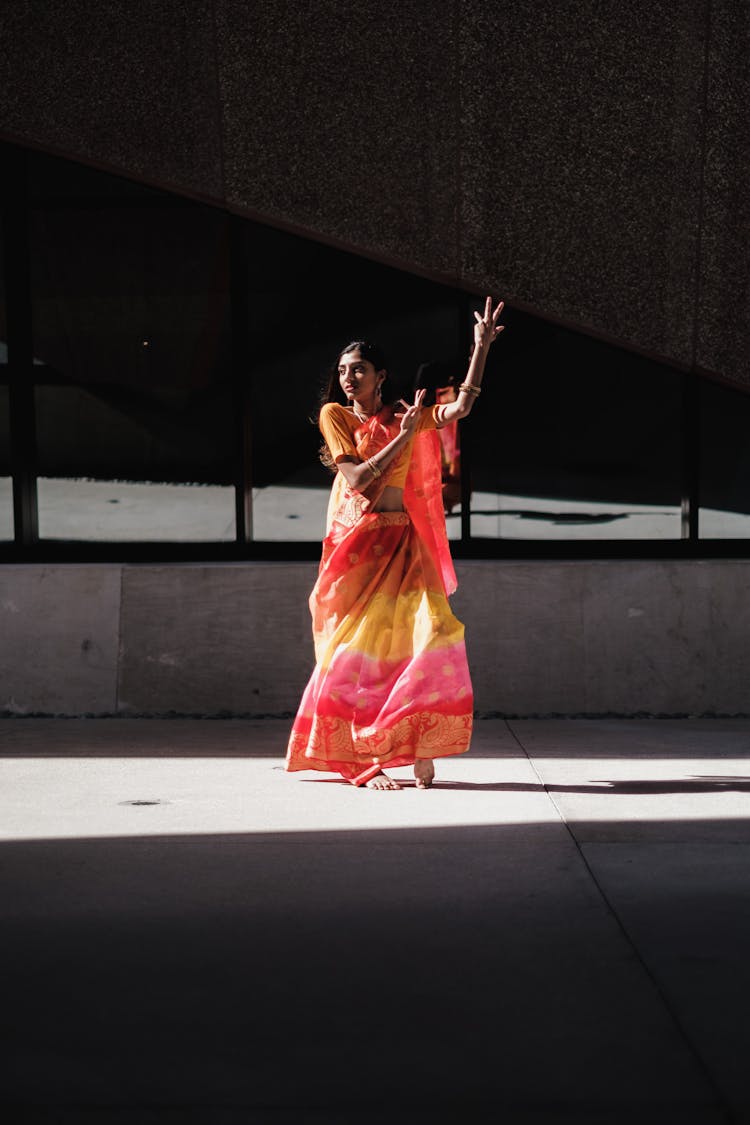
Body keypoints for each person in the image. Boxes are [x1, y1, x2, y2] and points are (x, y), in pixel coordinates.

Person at [286, 297, 505, 790]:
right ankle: (363, 760)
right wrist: (402, 437)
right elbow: (360, 479)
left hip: (403, 543)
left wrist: (480, 348)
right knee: (354, 655)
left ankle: (421, 745)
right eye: (343, 370)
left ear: (380, 375)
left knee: (430, 636)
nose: (348, 378)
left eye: (358, 369)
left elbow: (462, 407)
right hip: (357, 547)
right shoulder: (335, 416)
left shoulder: (405, 414)